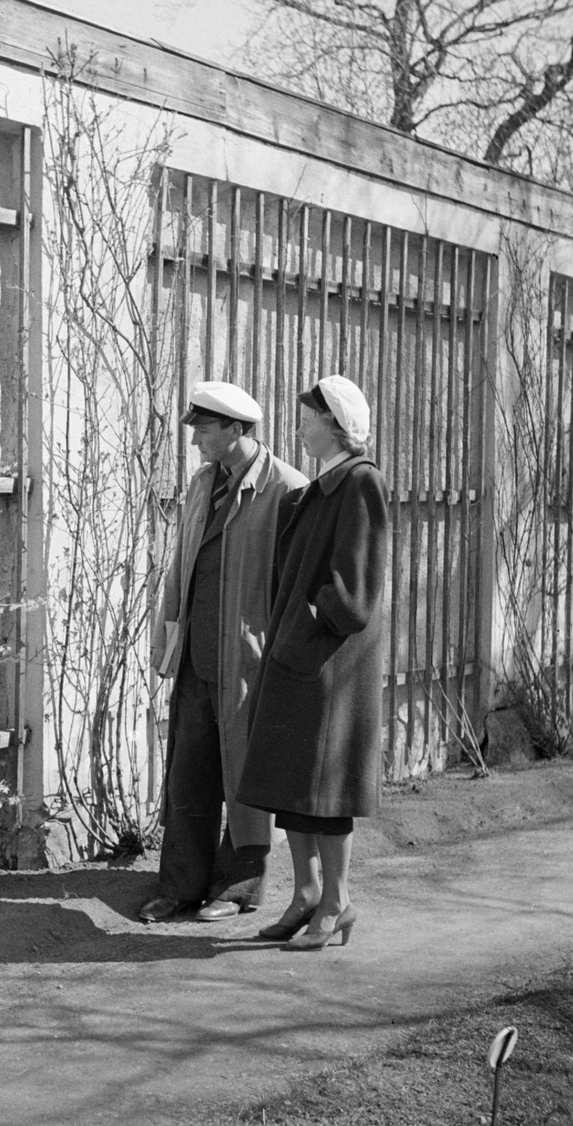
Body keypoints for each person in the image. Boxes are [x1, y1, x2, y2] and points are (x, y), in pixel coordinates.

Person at [139, 381, 308, 923]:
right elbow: (179, 567)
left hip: (249, 663)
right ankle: (180, 885)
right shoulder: (201, 484)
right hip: (196, 657)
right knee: (187, 775)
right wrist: (166, 641)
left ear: (235, 430)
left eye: (204, 431)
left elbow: (297, 586)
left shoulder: (286, 490)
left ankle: (237, 889)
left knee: (244, 779)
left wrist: (282, 657)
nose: (195, 443)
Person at [237, 375, 389, 950]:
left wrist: (311, 609)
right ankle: (305, 895)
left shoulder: (360, 482)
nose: (298, 427)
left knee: (324, 792)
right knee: (290, 783)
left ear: (334, 423)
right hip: (297, 655)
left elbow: (355, 594)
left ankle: (338, 901)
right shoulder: (317, 487)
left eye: (307, 418)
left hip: (330, 665)